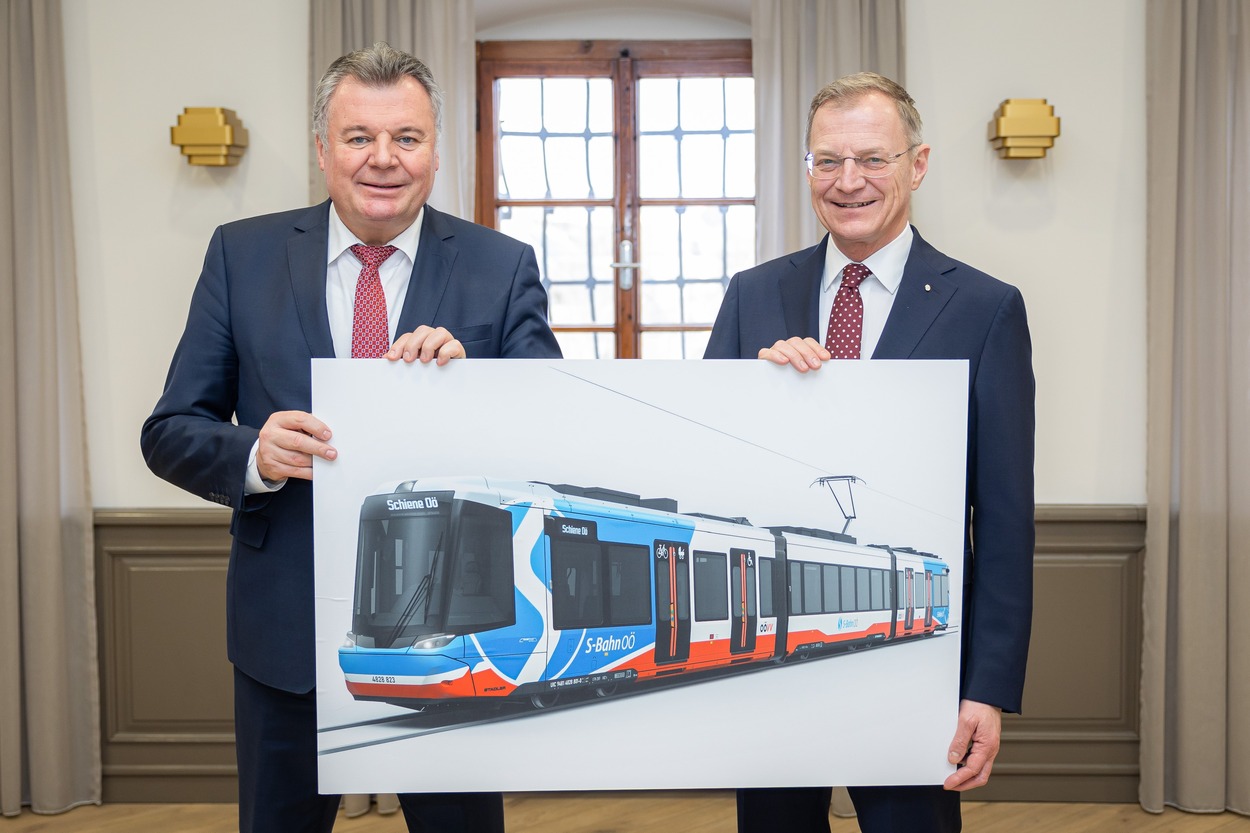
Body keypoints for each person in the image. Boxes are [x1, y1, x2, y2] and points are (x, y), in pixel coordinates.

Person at [141, 43, 561, 833]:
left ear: (436, 149)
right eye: (359, 136)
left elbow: (552, 438)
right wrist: (254, 456)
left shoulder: (500, 267)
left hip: (457, 642)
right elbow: (169, 430)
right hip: (284, 640)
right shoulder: (242, 254)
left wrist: (477, 386)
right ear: (322, 149)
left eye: (406, 137)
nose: (383, 159)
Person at [704, 72, 1034, 833]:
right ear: (809, 169)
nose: (848, 181)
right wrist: (755, 397)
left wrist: (986, 688)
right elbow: (711, 472)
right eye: (829, 160)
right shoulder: (752, 295)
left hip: (917, 662)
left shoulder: (987, 308)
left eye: (873, 159)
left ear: (917, 165)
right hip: (771, 659)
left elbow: (1008, 519)